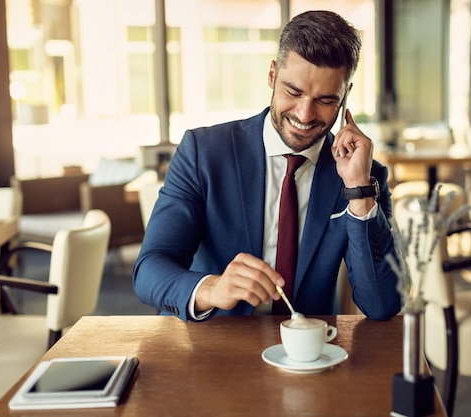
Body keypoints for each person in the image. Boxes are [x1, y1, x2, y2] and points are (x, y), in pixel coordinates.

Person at [132, 10, 402, 322]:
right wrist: (212, 289)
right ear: (272, 75)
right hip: (214, 345)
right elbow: (150, 269)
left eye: (326, 100)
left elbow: (382, 305)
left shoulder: (366, 178)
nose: (305, 114)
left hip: (310, 353)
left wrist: (359, 191)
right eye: (293, 91)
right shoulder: (203, 153)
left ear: (345, 96)